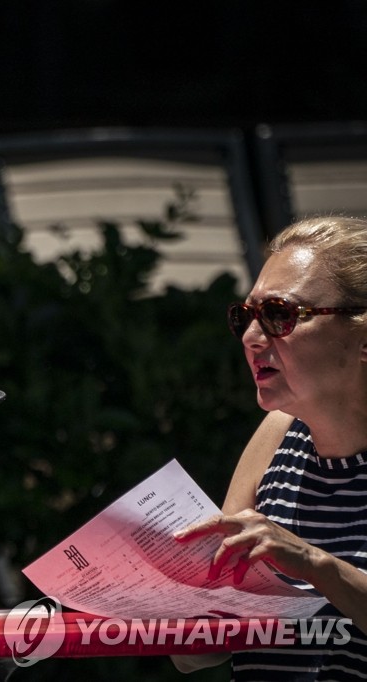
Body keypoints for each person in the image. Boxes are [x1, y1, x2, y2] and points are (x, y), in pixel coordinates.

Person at [174, 216, 367, 679]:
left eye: (279, 315)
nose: (250, 338)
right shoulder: (277, 433)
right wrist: (172, 601)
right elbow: (197, 655)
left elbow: (307, 561)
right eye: (245, 316)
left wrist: (312, 562)